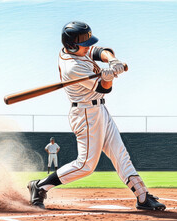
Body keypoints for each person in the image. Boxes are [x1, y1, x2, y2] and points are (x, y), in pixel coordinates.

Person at [27, 21, 166, 211]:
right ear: (72, 45)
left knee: (120, 153)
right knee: (86, 165)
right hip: (85, 114)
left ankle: (142, 196)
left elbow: (100, 51)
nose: (87, 46)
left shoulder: (75, 50)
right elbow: (103, 88)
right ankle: (40, 186)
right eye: (83, 43)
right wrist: (107, 78)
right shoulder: (72, 67)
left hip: (99, 110)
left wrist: (112, 61)